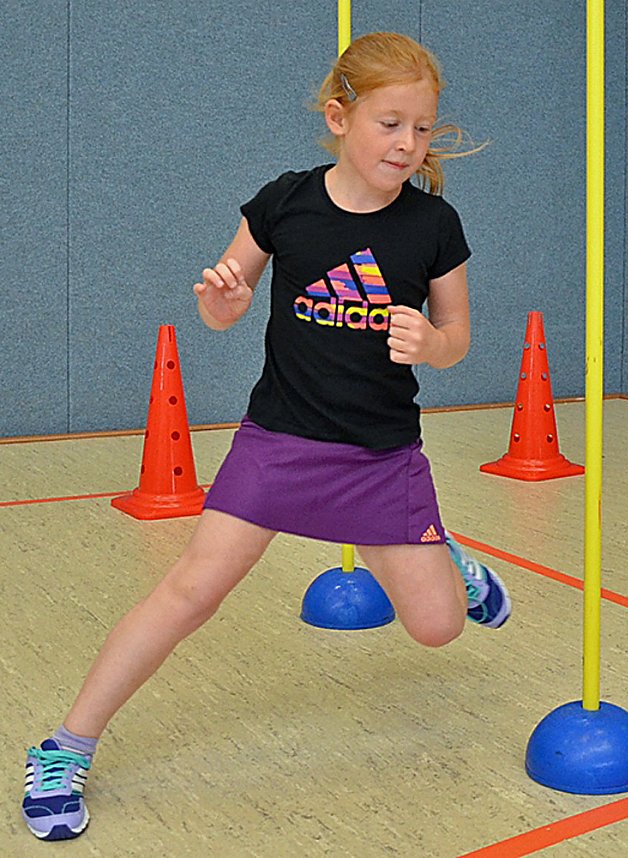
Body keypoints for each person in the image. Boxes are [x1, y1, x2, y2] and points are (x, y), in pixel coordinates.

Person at [21, 31, 511, 842]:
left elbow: (456, 334)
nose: (408, 144)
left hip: (381, 457)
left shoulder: (433, 224)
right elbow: (223, 299)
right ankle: (66, 746)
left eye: (421, 128)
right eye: (390, 123)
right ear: (338, 117)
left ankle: (447, 563)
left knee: (436, 627)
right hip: (278, 440)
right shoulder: (284, 202)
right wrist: (223, 304)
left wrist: (433, 343)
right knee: (190, 591)